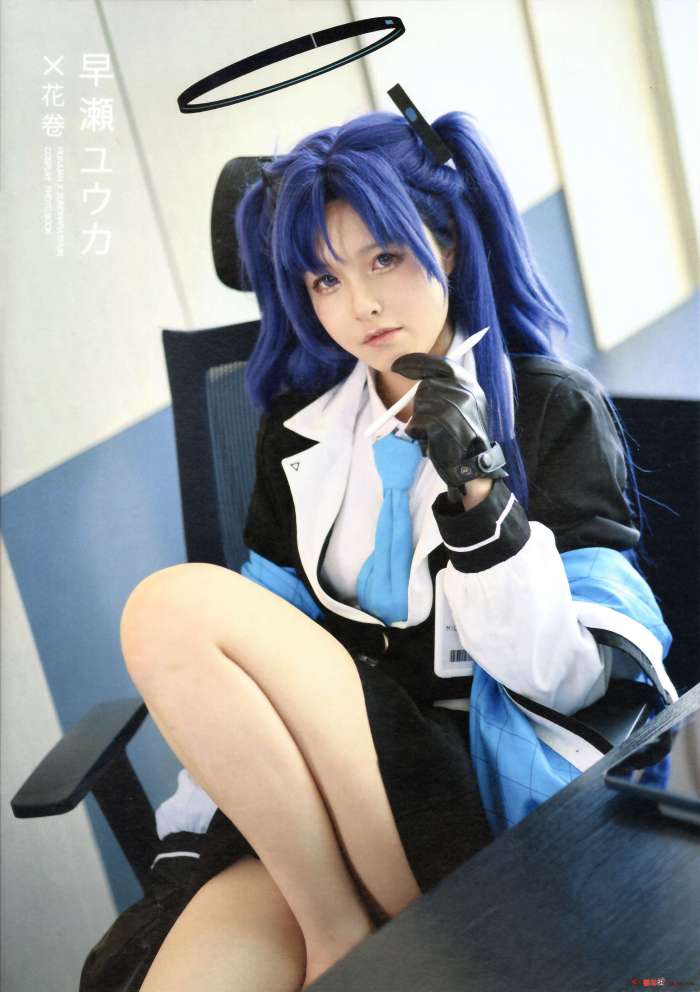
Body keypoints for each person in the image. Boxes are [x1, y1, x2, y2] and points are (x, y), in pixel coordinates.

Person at [86, 108, 673, 992]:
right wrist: (202, 820)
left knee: (170, 605)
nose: (358, 304)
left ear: (447, 246)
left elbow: (570, 682)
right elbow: (254, 653)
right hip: (318, 812)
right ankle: (338, 926)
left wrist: (478, 491)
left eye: (385, 259)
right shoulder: (299, 431)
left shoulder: (548, 407)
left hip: (469, 799)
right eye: (324, 278)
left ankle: (342, 934)